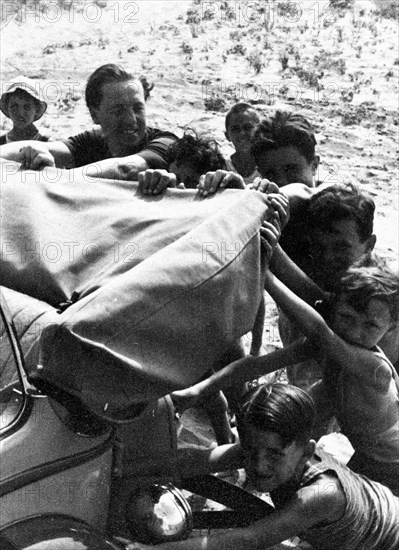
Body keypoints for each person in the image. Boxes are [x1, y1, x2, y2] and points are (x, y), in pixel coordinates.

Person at [172, 216, 399, 495]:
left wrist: (264, 272)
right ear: (334, 310)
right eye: (346, 317)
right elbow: (254, 366)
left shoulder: (375, 368)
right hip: (361, 442)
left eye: (370, 325)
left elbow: (318, 330)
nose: (354, 331)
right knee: (288, 432)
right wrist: (197, 390)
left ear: (391, 327)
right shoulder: (332, 345)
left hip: (391, 463)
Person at [123, 383, 399, 550]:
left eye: (275, 455)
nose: (259, 465)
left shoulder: (320, 494)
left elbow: (248, 541)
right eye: (250, 451)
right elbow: (187, 461)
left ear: (307, 452)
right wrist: (120, 467)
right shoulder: (265, 452)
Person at [0, 64, 177, 181]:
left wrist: (57, 177)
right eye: (118, 110)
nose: (131, 119)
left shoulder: (166, 143)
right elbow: (43, 148)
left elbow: (125, 169)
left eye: (138, 108)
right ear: (95, 115)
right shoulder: (94, 140)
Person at [0, 78, 49, 145]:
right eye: (14, 106)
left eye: (27, 107)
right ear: (7, 108)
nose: (20, 113)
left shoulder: (46, 143)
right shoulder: (2, 143)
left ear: (36, 109)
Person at [224, 102, 261, 185]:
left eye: (248, 127)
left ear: (259, 131)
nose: (242, 133)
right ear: (227, 136)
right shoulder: (223, 167)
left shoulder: (268, 165)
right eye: (235, 129)